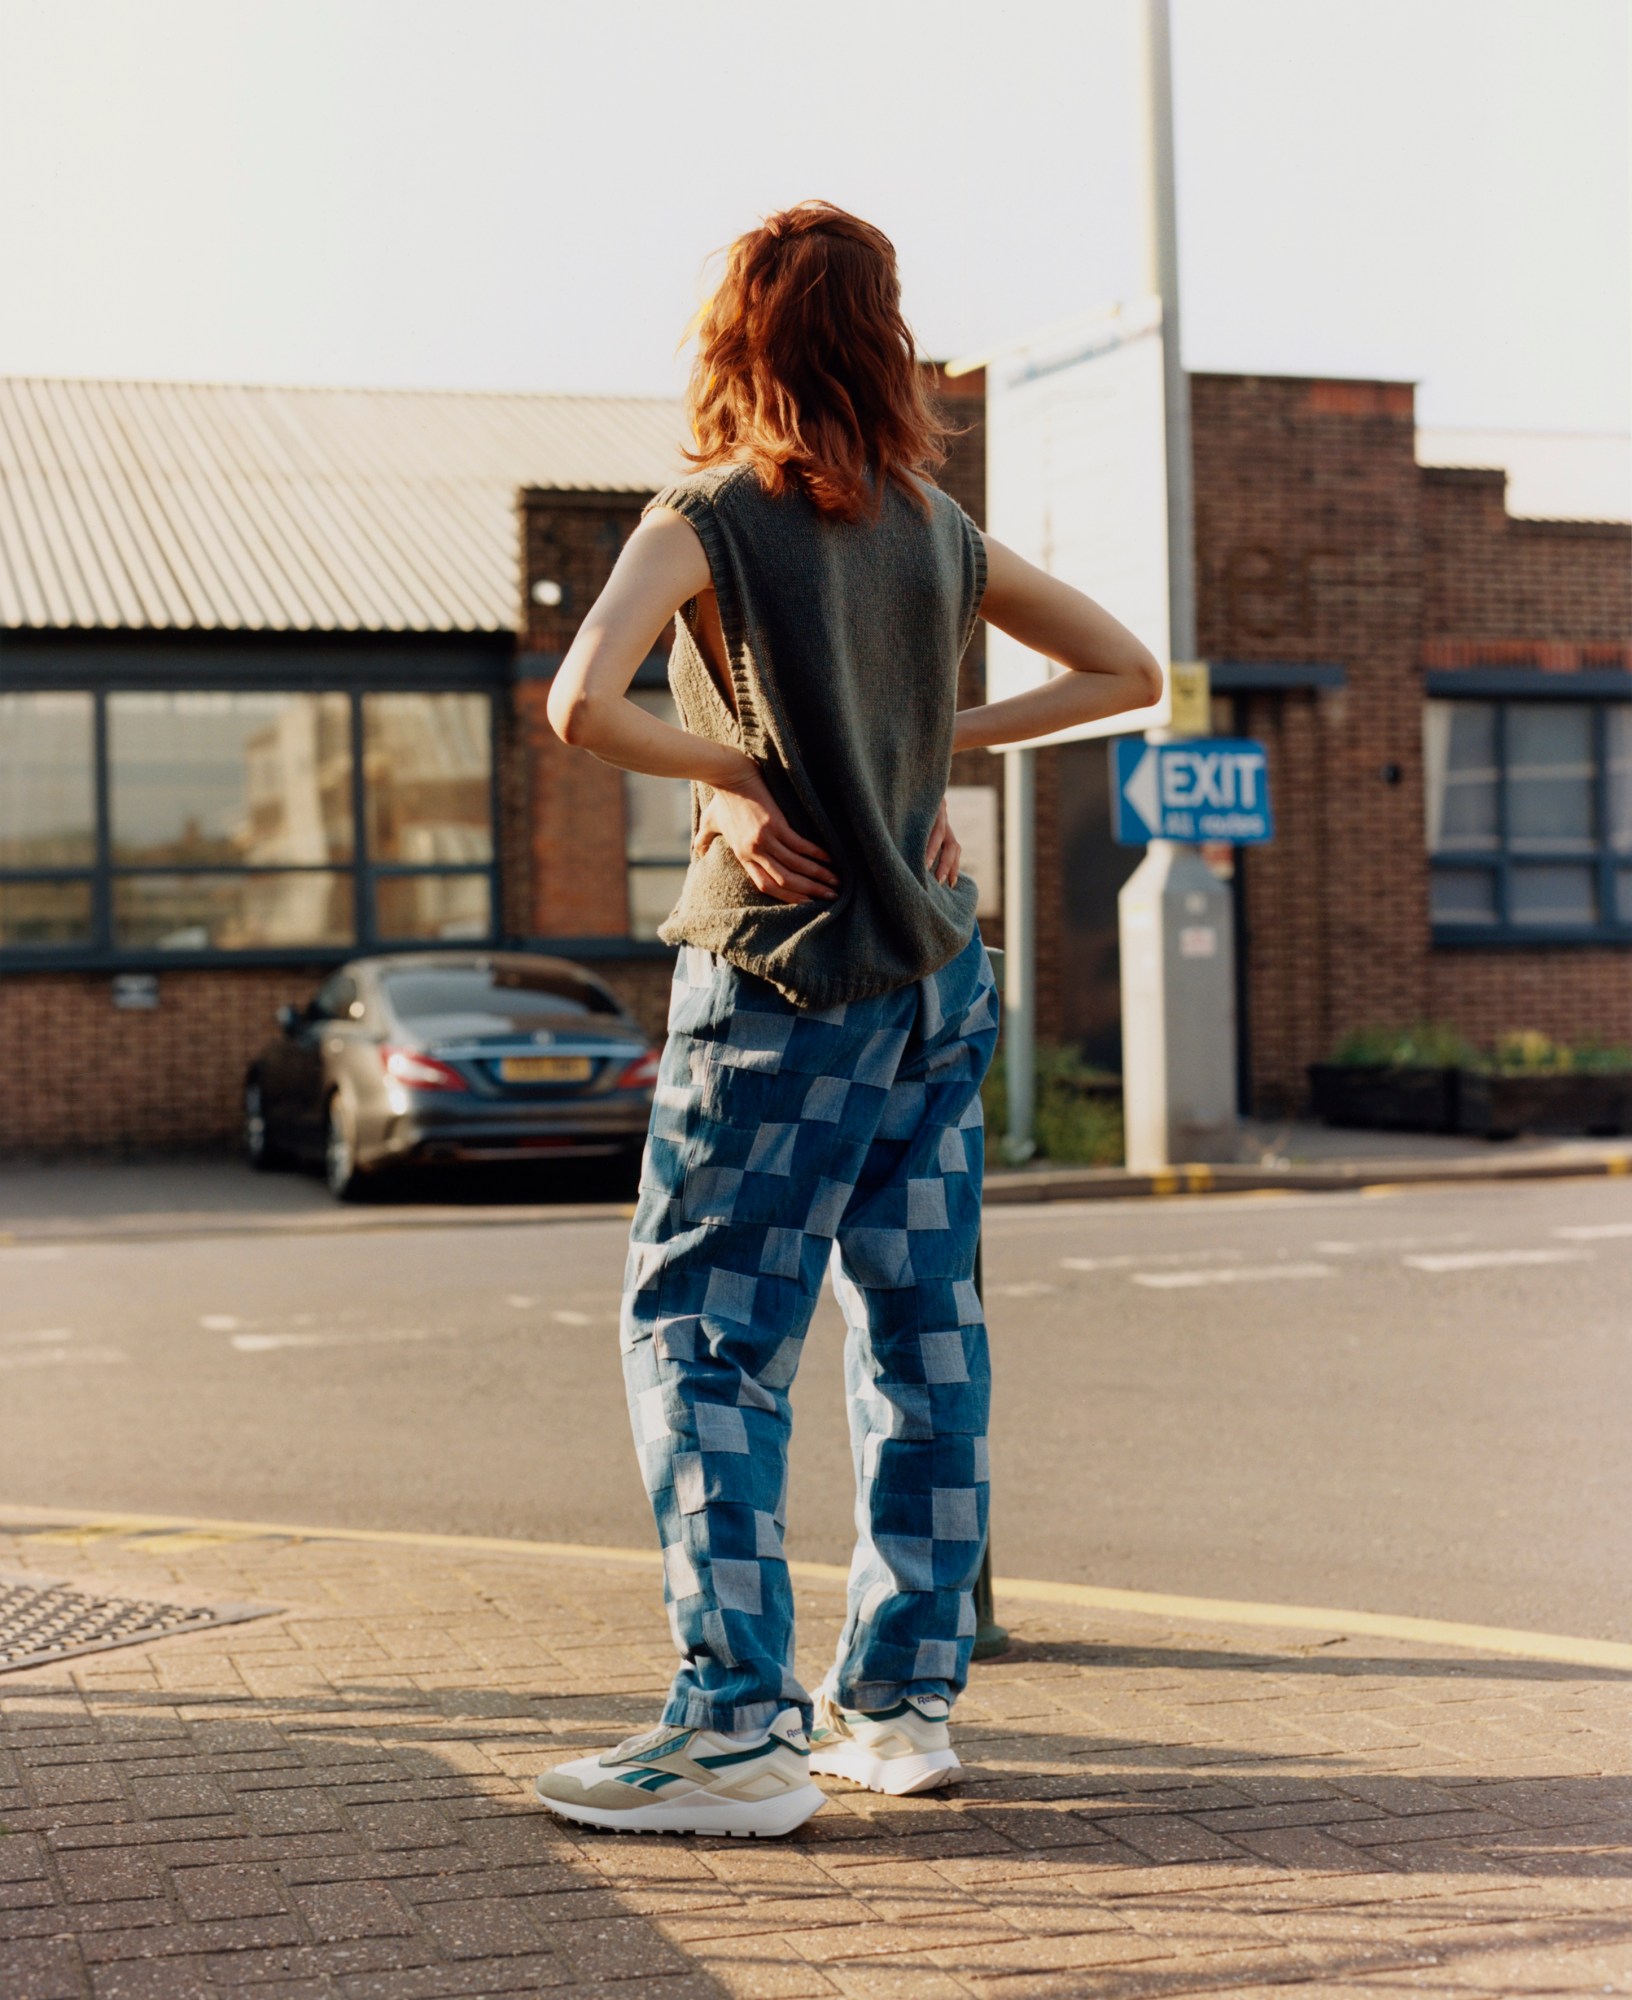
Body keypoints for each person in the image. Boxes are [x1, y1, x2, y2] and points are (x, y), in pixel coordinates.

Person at [533, 202, 1160, 1838]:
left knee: (702, 1337)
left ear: (734, 336)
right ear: (886, 343)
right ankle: (895, 1707)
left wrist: (735, 779)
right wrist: (932, 748)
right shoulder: (935, 528)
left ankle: (733, 1726)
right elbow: (1125, 670)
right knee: (923, 1339)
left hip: (783, 981)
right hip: (939, 980)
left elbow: (579, 704)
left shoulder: (706, 517)